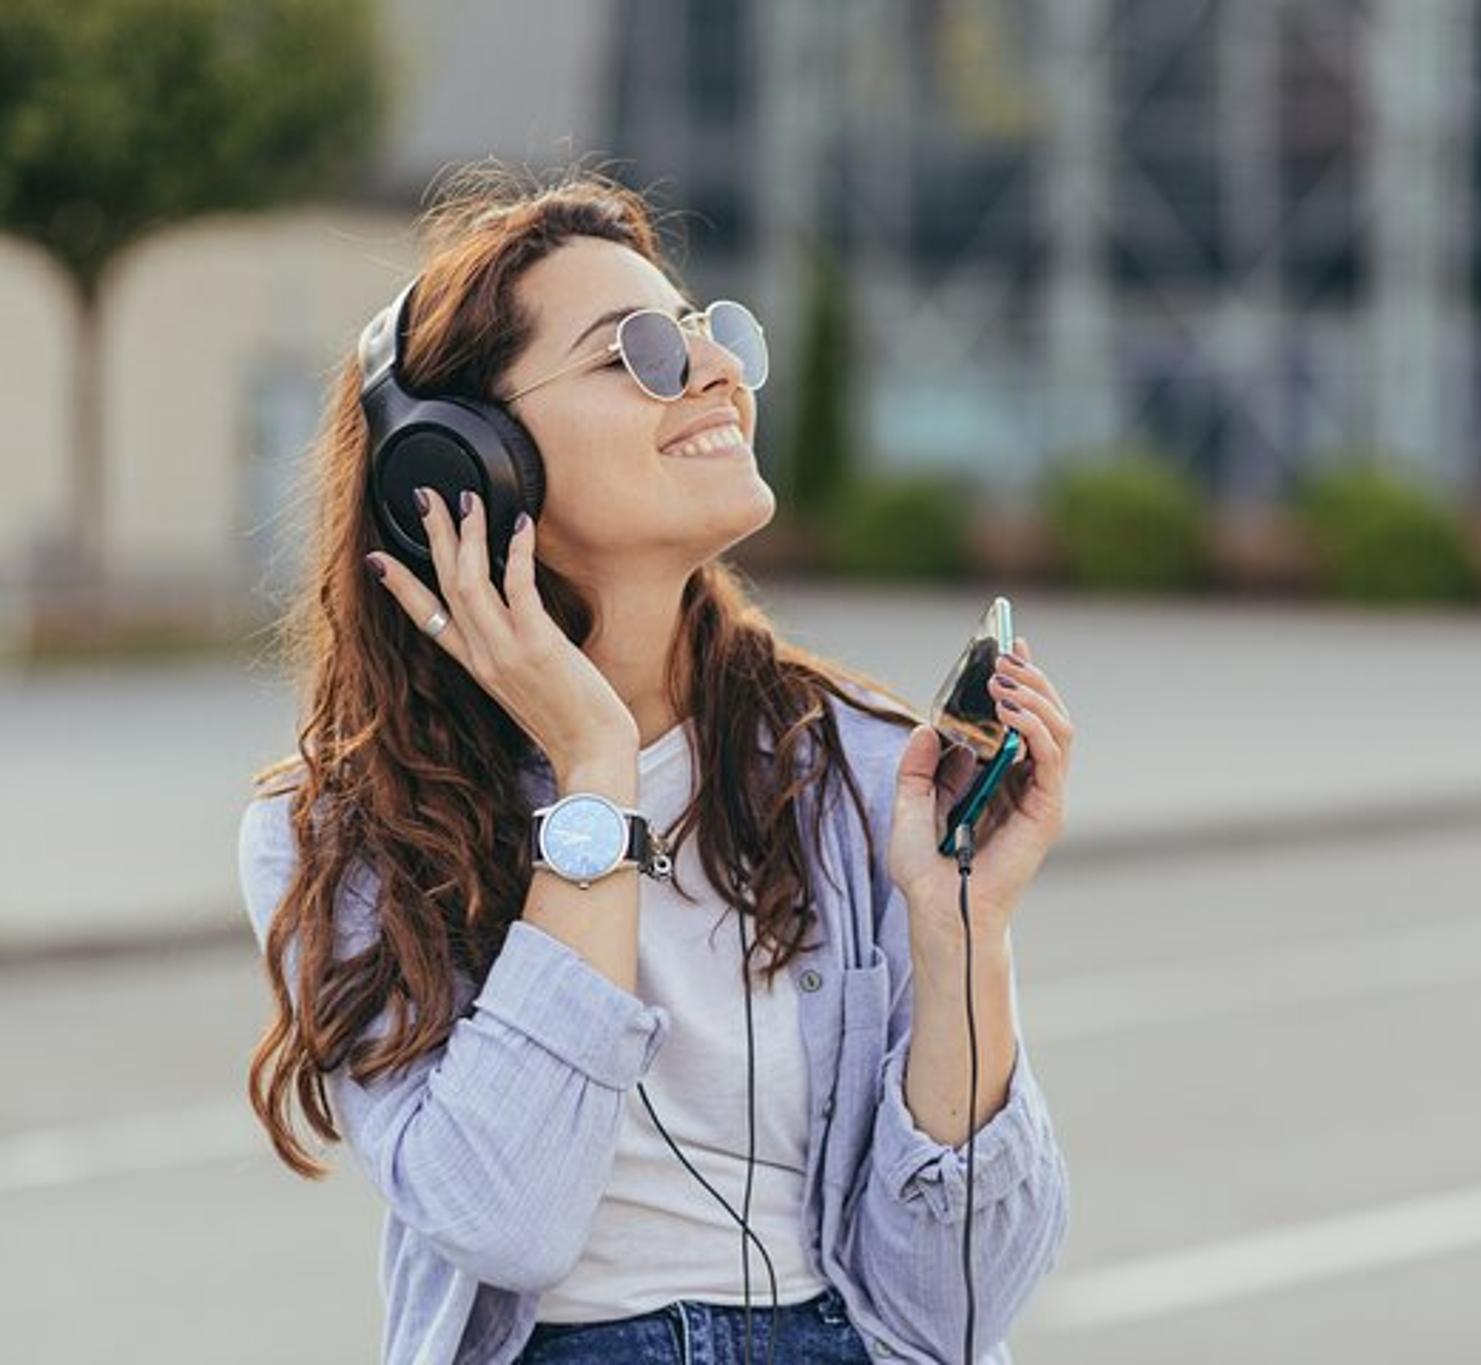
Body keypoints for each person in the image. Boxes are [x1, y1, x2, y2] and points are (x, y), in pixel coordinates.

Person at [236, 166, 1072, 1365]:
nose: (718, 370)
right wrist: (592, 770)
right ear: (459, 470)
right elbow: (503, 1221)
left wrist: (960, 939)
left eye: (707, 333)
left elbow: (961, 1304)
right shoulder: (339, 831)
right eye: (637, 350)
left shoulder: (864, 768)